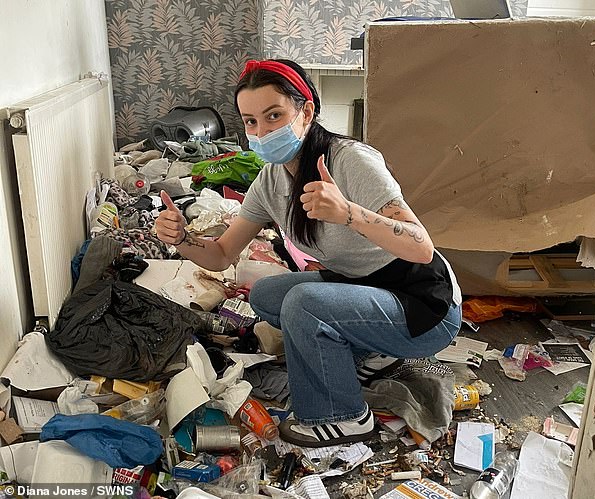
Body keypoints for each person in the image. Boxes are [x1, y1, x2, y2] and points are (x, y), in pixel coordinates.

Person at [155, 59, 462, 448]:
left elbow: (421, 246)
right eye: (251, 121)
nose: (262, 132)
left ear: (307, 111)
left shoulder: (350, 160)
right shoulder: (271, 179)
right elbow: (220, 255)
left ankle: (345, 416)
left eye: (274, 116)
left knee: (303, 303)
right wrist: (181, 238)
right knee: (268, 295)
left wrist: (349, 213)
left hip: (423, 307)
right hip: (364, 289)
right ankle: (375, 352)